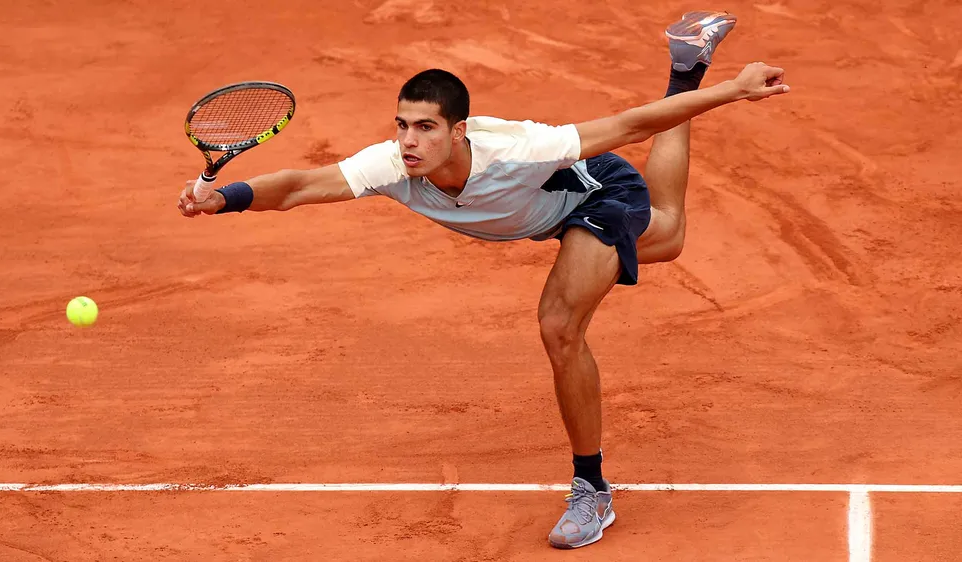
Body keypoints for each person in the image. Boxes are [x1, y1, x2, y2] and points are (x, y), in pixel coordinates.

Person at [178, 11, 789, 549]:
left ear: (459, 131)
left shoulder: (522, 148)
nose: (410, 141)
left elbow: (630, 125)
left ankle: (591, 489)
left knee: (559, 325)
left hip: (593, 194)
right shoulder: (392, 165)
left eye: (426, 128)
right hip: (544, 219)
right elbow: (300, 186)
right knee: (671, 237)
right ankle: (686, 67)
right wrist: (222, 199)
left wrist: (735, 92)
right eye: (403, 125)